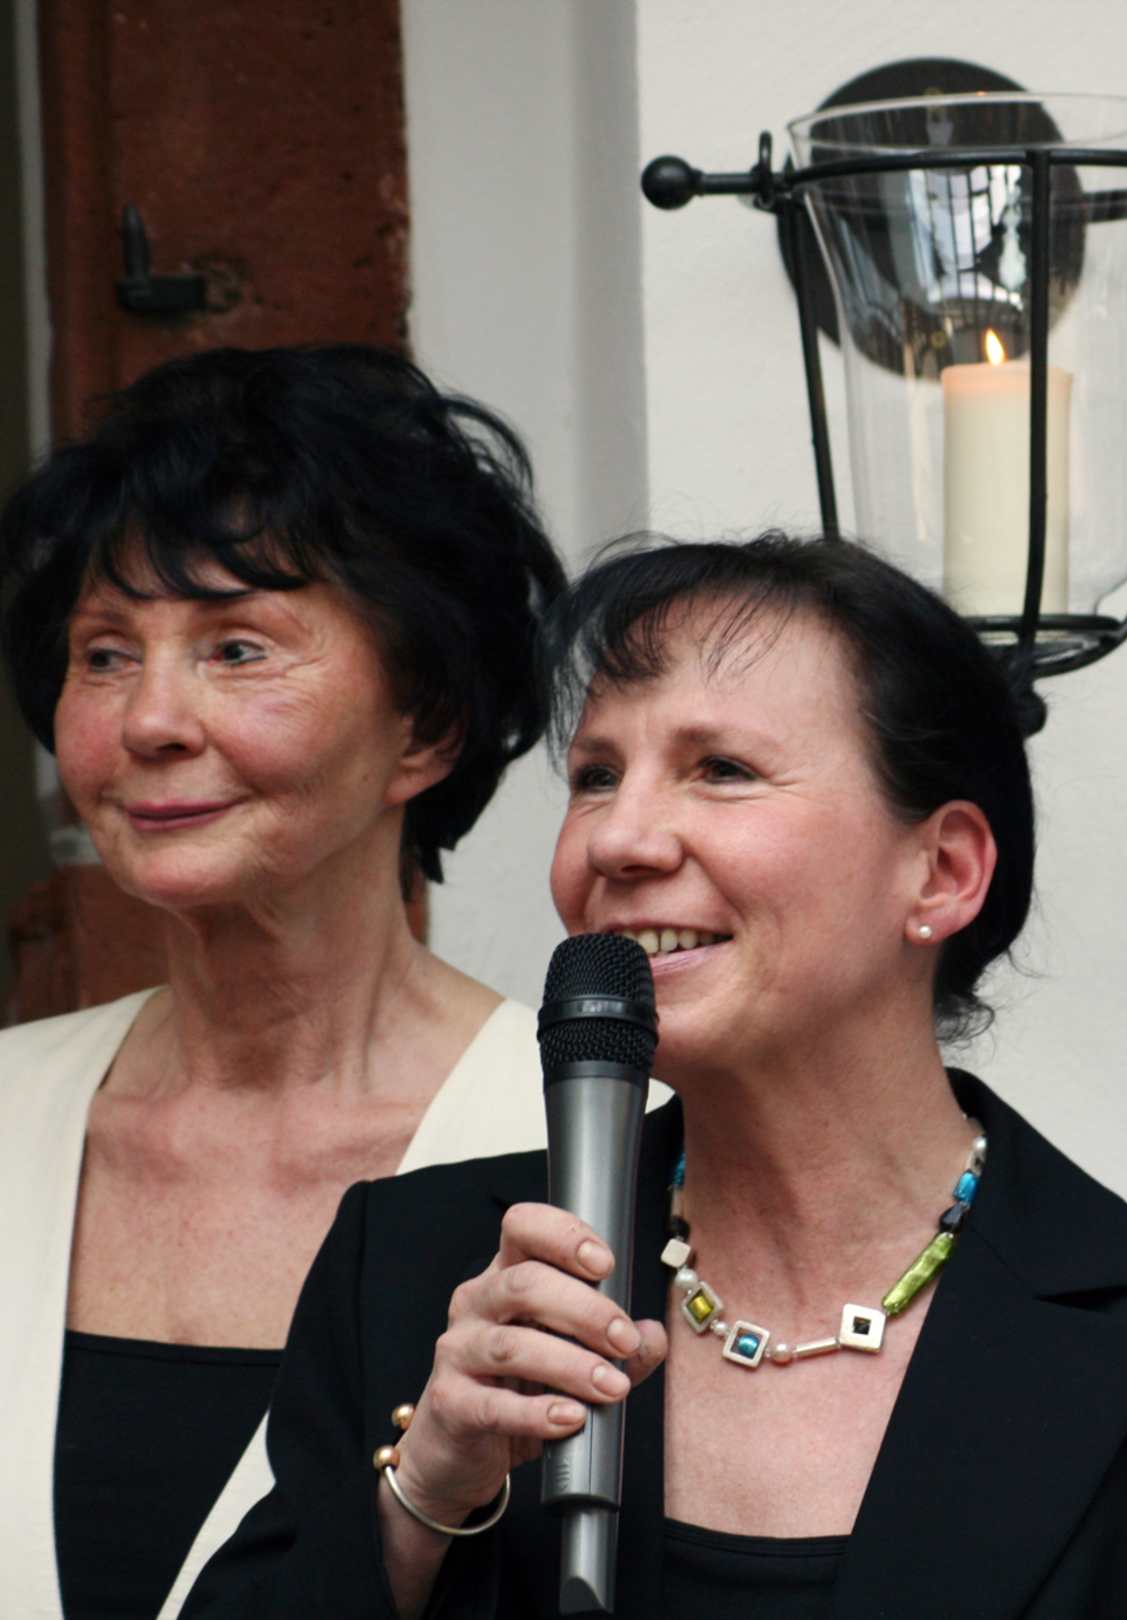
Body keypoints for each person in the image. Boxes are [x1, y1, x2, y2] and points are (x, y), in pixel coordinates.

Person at [186, 533, 1127, 1617]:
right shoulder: (421, 1275)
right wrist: (423, 1495)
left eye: (721, 770)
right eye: (595, 775)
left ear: (942, 873)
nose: (618, 840)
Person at [0, 345, 569, 1620]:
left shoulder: (594, 1146)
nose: (149, 721)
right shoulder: (6, 1113)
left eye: (238, 648)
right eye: (104, 655)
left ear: (425, 726)